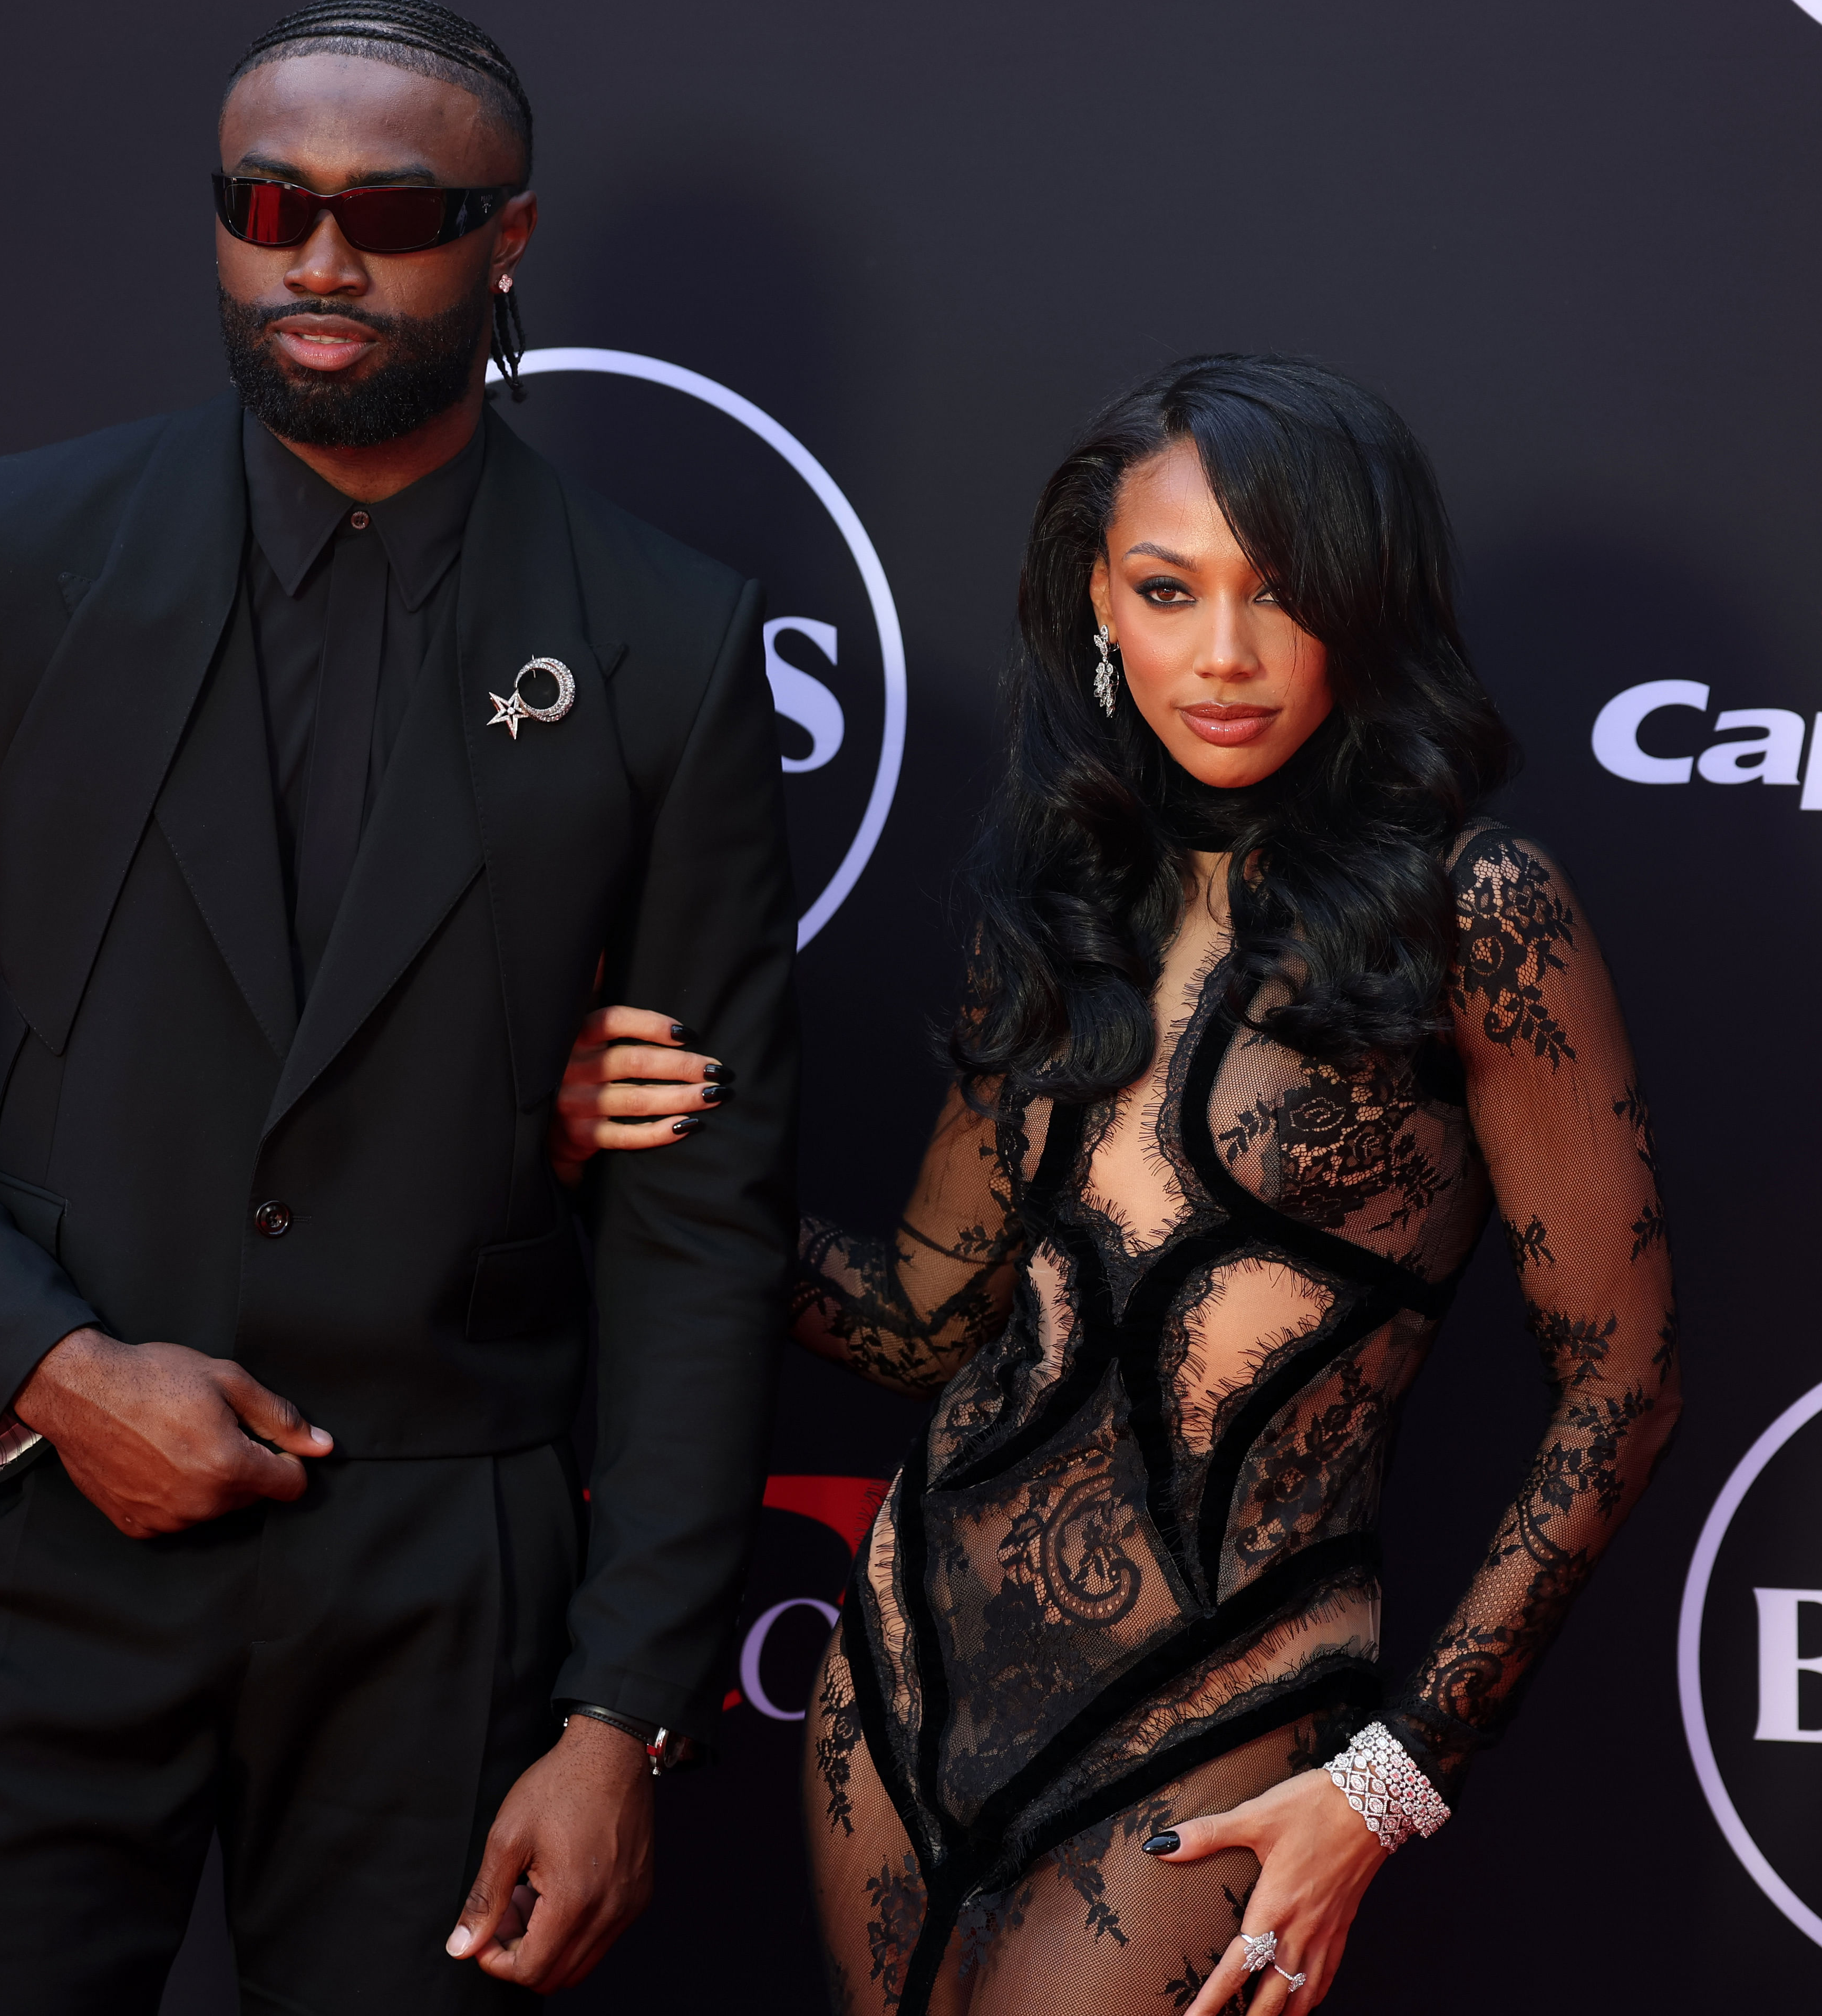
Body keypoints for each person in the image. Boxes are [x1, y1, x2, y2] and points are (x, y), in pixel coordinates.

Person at [0, 0, 798, 2014]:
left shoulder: (666, 639)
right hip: (33, 1552)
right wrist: (51, 1367)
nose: (318, 256)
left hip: (445, 1606)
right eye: (264, 200)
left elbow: (697, 1222)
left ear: (509, 237)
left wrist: (616, 1719)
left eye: (390, 213)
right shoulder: (5, 555)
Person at [555, 354, 1680, 2013]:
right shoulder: (1074, 895)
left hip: (1222, 1717)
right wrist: (625, 1155)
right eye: (1167, 592)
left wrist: (1391, 1778)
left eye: (1280, 594)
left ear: (1366, 609)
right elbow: (918, 1324)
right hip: (900, 1680)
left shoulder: (1474, 911)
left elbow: (1624, 1380)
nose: (1220, 655)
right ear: (1098, 600)